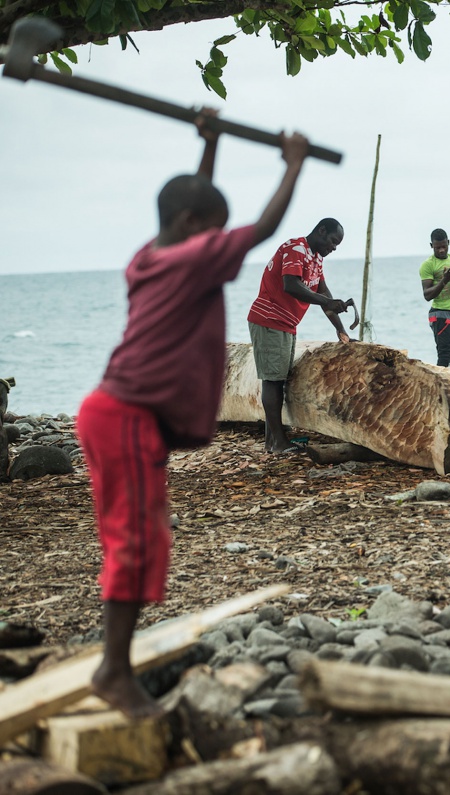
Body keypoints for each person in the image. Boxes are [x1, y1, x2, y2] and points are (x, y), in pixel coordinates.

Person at [74, 114, 312, 718]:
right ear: (193, 229)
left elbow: (198, 216)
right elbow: (260, 228)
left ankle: (114, 665)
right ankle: (112, 672)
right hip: (125, 415)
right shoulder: (191, 257)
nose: (218, 238)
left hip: (119, 414)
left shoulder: (151, 256)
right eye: (211, 228)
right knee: (135, 542)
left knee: (146, 537)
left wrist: (209, 148)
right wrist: (293, 163)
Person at [247, 218, 351, 452]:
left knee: (278, 379)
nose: (333, 248)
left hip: (287, 323)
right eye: (333, 241)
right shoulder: (296, 248)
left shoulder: (316, 258)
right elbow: (291, 285)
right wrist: (327, 301)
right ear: (321, 231)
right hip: (270, 319)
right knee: (273, 381)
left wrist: (341, 329)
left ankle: (272, 441)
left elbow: (324, 293)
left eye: (337, 245)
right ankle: (278, 443)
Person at [419, 228, 450, 367]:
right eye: (437, 247)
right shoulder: (428, 265)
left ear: (448, 243)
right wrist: (444, 280)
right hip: (440, 313)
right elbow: (427, 295)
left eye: (444, 246)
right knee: (445, 354)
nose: (441, 250)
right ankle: (440, 387)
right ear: (431, 245)